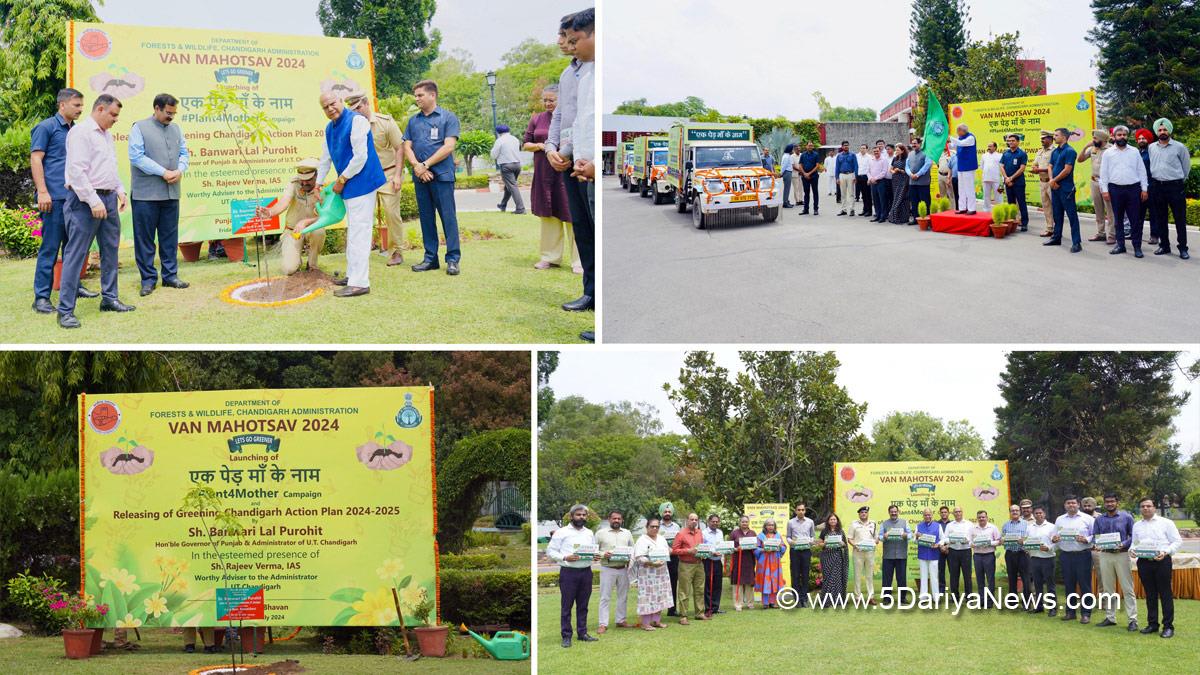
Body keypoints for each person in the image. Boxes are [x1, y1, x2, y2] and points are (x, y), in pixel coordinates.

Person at [57, 94, 133, 329]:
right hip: (84, 201)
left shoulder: (106, 135)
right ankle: (65, 311)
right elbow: (77, 172)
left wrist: (119, 190)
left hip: (108, 198)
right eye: (113, 114)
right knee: (76, 254)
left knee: (110, 250)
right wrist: (93, 200)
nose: (115, 119)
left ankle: (109, 298)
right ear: (100, 109)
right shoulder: (81, 133)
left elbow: (108, 167)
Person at [30, 88, 98, 314]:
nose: (80, 109)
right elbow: (36, 159)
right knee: (50, 248)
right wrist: (42, 191)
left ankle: (74, 286)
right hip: (54, 199)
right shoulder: (46, 127)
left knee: (73, 248)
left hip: (74, 198)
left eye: (81, 105)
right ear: (62, 105)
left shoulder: (76, 131)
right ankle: (41, 297)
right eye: (76, 105)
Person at [547, 9, 596, 318]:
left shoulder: (595, 72)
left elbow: (586, 123)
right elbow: (562, 117)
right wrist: (554, 149)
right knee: (582, 228)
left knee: (594, 226)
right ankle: (590, 292)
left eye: (572, 37)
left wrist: (570, 154)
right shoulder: (569, 75)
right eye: (566, 37)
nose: (566, 43)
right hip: (571, 160)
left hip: (582, 160)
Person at [316, 91, 386, 297]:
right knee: (353, 230)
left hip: (362, 183)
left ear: (340, 101)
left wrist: (341, 180)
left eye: (332, 103)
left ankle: (359, 283)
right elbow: (325, 159)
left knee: (359, 232)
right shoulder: (329, 128)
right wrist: (318, 185)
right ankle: (352, 275)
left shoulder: (357, 121)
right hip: (348, 185)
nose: (330, 108)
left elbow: (360, 157)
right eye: (325, 107)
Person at [129, 93, 189, 298]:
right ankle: (148, 280)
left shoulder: (176, 129)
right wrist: (163, 172)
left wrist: (180, 170)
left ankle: (170, 276)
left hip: (171, 193)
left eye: (174, 113)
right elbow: (136, 157)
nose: (171, 117)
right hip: (145, 194)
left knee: (169, 237)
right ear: (156, 108)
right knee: (145, 239)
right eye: (168, 112)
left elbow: (184, 153)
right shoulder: (139, 127)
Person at [404, 80, 462, 276]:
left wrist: (425, 165)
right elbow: (407, 147)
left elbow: (448, 147)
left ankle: (453, 259)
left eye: (420, 95)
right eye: (416, 95)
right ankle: (430, 259)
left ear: (432, 95)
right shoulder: (413, 121)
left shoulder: (448, 118)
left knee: (448, 218)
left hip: (442, 177)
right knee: (426, 219)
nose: (417, 99)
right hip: (421, 177)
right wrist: (417, 167)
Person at [345, 92, 407, 266]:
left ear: (366, 104)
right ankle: (359, 251)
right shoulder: (350, 125)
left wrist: (397, 175)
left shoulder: (384, 122)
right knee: (359, 215)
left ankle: (396, 251)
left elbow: (399, 148)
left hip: (387, 174)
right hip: (364, 176)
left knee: (391, 213)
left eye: (358, 108)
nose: (355, 112)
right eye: (352, 109)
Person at [524, 84, 578, 272]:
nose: (547, 103)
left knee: (572, 214)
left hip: (565, 171)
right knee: (548, 215)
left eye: (551, 100)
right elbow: (526, 144)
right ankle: (550, 257)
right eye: (545, 100)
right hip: (543, 172)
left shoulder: (569, 118)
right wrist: (542, 146)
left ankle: (578, 260)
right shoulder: (537, 119)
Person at [254, 159, 324, 275]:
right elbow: (284, 203)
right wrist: (270, 212)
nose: (304, 183)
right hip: (292, 231)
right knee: (289, 269)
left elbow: (325, 216)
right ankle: (296, 263)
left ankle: (312, 266)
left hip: (313, 229)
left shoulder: (323, 189)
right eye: (302, 179)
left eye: (308, 180)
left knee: (319, 231)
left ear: (317, 176)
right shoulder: (293, 184)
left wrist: (306, 222)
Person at [546, 504, 598, 647]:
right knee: (566, 606)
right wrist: (565, 557)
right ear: (571, 516)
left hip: (586, 572)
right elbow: (550, 551)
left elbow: (592, 550)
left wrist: (595, 556)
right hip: (569, 573)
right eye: (578, 515)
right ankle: (566, 636)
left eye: (584, 515)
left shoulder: (589, 533)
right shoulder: (561, 532)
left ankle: (582, 633)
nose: (581, 517)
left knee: (583, 605)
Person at [1131, 497, 1181, 638]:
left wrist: (1166, 552)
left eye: (1148, 506)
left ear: (1154, 507)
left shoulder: (1166, 523)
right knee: (1150, 594)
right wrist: (1132, 550)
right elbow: (1134, 543)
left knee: (1165, 594)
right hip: (1144, 563)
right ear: (1140, 509)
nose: (1145, 508)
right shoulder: (1137, 525)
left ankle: (1168, 626)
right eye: (1142, 506)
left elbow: (1177, 541)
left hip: (1162, 561)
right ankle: (1152, 624)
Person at [1147, 117, 1190, 259]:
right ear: (1156, 132)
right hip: (1157, 187)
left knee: (1179, 219)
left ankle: (1183, 248)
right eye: (1159, 130)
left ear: (1169, 130)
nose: (1162, 132)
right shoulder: (1151, 147)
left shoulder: (1179, 147)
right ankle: (1164, 246)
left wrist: (1177, 181)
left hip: (1175, 187)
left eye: (1165, 129)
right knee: (1160, 219)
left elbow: (1186, 168)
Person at [1093, 493, 1137, 631]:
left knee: (1127, 588)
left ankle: (1132, 620)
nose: (1109, 504)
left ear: (1117, 502)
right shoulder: (1099, 519)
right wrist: (1097, 543)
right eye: (1107, 502)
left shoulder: (1127, 517)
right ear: (1104, 504)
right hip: (1105, 556)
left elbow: (1133, 536)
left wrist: (1123, 544)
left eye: (1112, 501)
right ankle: (1110, 617)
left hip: (1122, 555)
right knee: (1107, 589)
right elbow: (1095, 537)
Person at [1052, 495, 1094, 623]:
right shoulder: (1059, 519)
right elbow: (1055, 535)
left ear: (1078, 505)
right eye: (1068, 503)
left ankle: (1086, 614)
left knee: (1084, 585)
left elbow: (1095, 535)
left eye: (1073, 503)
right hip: (1066, 555)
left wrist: (1086, 539)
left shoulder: (1088, 519)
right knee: (1069, 585)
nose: (1071, 505)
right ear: (1065, 505)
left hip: (1083, 554)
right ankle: (1070, 612)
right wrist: (1055, 539)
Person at [1044, 127, 1082, 253]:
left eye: (1056, 135)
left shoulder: (1070, 151)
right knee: (1057, 214)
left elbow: (1067, 170)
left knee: (1072, 216)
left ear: (1064, 137)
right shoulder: (1055, 152)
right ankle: (1056, 237)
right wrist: (1051, 180)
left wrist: (1054, 180)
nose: (1054, 137)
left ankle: (1076, 242)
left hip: (1066, 189)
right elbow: (1050, 166)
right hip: (1054, 187)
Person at [632, 516, 673, 631]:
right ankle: (645, 623)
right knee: (647, 597)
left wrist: (669, 551)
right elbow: (639, 557)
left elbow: (667, 551)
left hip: (661, 572)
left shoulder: (661, 539)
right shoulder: (642, 540)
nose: (655, 529)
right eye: (652, 526)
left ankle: (656, 621)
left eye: (657, 527)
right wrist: (651, 563)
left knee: (660, 595)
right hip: (647, 574)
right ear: (647, 527)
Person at [595, 509, 633, 634]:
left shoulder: (627, 533)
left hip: (623, 569)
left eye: (619, 518)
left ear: (622, 520)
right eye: (614, 518)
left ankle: (621, 620)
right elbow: (594, 551)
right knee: (605, 597)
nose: (616, 520)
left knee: (623, 596)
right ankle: (603, 624)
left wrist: (630, 558)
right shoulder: (600, 533)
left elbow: (632, 549)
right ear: (609, 519)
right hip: (608, 569)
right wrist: (603, 554)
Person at [671, 512, 707, 624]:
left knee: (700, 589)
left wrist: (704, 553)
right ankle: (683, 616)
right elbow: (674, 550)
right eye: (692, 519)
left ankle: (700, 613)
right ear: (687, 520)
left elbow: (701, 547)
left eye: (696, 519)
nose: (694, 521)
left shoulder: (700, 533)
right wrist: (688, 551)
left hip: (699, 564)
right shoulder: (681, 534)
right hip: (685, 564)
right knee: (684, 590)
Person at [1080, 129, 1112, 244]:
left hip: (1106, 183)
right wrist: (1084, 147)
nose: (1093, 140)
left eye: (1095, 138)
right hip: (1094, 182)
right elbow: (1080, 160)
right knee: (1098, 209)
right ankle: (1101, 233)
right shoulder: (1092, 149)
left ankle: (1112, 235)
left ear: (1102, 139)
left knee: (1110, 210)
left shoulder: (1111, 149)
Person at [1026, 505, 1058, 615]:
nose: (1038, 515)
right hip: (1034, 558)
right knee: (1037, 584)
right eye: (1036, 513)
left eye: (1040, 513)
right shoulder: (1029, 527)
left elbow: (1057, 543)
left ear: (1044, 514)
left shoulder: (1052, 527)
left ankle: (1052, 608)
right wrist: (1026, 546)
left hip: (1048, 558)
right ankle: (1039, 606)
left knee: (1050, 585)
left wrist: (1049, 547)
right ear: (1033, 515)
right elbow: (1027, 541)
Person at [490, 124, 526, 214]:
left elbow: (493, 155)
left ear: (498, 132)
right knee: (509, 186)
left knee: (512, 186)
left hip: (506, 166)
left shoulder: (500, 140)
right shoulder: (515, 139)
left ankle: (520, 209)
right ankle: (503, 204)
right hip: (517, 165)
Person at [876, 504, 911, 595]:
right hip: (888, 555)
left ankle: (902, 598)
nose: (894, 513)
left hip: (901, 555)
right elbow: (880, 537)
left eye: (895, 512)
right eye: (892, 512)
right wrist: (884, 536)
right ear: (889, 513)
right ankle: (887, 598)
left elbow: (910, 535)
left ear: (898, 512)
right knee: (887, 578)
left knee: (902, 578)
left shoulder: (905, 522)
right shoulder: (884, 523)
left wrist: (906, 535)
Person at [1000, 504, 1031, 606]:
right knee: (1012, 578)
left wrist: (1024, 541)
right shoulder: (1005, 525)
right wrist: (1002, 540)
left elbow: (1030, 538)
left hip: (1022, 554)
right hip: (1010, 554)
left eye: (1016, 510)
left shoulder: (1026, 524)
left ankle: (1026, 602)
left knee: (1025, 578)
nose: (1014, 512)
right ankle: (1012, 602)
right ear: (1010, 512)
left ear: (1020, 511)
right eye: (1012, 510)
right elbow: (1002, 539)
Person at [970, 510, 1001, 608]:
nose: (981, 519)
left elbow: (999, 541)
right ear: (977, 518)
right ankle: (982, 600)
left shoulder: (993, 528)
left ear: (987, 518)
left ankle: (990, 601)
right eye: (979, 517)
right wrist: (972, 544)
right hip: (977, 556)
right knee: (980, 579)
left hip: (989, 555)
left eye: (983, 517)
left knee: (990, 579)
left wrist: (989, 543)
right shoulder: (973, 528)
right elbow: (968, 541)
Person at [786, 502, 815, 607]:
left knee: (805, 574)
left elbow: (812, 536)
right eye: (799, 510)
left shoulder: (810, 522)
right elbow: (788, 537)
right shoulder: (790, 522)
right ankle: (797, 599)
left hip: (806, 551)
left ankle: (804, 598)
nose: (801, 511)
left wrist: (810, 541)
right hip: (795, 551)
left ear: (805, 511)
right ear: (795, 511)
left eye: (803, 510)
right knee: (795, 574)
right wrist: (792, 542)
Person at [754, 519, 787, 608]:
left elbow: (784, 547)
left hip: (775, 561)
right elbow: (756, 549)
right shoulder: (760, 536)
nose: (770, 527)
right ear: (765, 526)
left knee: (774, 581)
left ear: (775, 526)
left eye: (772, 525)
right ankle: (765, 603)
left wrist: (780, 547)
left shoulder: (778, 536)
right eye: (768, 525)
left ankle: (773, 602)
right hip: (764, 561)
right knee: (765, 580)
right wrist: (763, 549)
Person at [942, 506, 973, 600]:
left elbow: (972, 537)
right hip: (953, 552)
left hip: (966, 551)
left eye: (959, 511)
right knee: (954, 575)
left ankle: (969, 596)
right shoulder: (950, 525)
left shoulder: (969, 524)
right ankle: (955, 596)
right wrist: (951, 541)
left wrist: (967, 540)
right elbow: (945, 538)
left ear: (962, 512)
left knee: (967, 575)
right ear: (953, 513)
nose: (958, 513)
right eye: (956, 512)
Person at [999, 133, 1029, 231]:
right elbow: (1001, 166)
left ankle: (1024, 223)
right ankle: (1012, 221)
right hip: (1008, 182)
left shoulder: (1022, 154)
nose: (1010, 142)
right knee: (1011, 203)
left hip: (1018, 183)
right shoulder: (1005, 153)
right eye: (1009, 141)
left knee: (1021, 203)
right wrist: (1006, 178)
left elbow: (1022, 168)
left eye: (1013, 141)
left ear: (1018, 142)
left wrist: (1011, 178)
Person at [816, 513, 848, 602]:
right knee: (828, 578)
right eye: (831, 519)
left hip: (837, 557)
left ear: (837, 521)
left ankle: (837, 600)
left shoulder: (841, 532)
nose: (833, 521)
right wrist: (825, 543)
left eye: (834, 519)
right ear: (828, 521)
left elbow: (845, 545)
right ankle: (827, 600)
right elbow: (819, 544)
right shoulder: (824, 531)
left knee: (837, 578)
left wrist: (842, 544)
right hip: (826, 557)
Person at [916, 507, 946, 600]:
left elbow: (943, 539)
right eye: (925, 515)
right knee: (923, 576)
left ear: (932, 515)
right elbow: (915, 540)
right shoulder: (919, 526)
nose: (927, 516)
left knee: (934, 577)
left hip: (934, 555)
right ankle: (923, 597)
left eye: (929, 514)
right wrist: (918, 537)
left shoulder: (938, 526)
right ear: (923, 516)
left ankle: (935, 597)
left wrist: (938, 544)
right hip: (922, 554)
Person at [657, 502, 681, 616]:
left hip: (674, 558)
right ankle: (658, 610)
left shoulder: (677, 526)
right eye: (665, 511)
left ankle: (672, 609)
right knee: (660, 583)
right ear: (661, 512)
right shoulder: (656, 525)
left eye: (669, 511)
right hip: (660, 558)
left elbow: (679, 541)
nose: (667, 513)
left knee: (673, 583)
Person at [729, 515, 757, 610]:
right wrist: (736, 549)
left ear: (748, 523)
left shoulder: (753, 533)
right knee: (738, 583)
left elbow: (756, 546)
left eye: (746, 522)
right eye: (742, 522)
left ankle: (750, 603)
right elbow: (729, 546)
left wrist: (754, 546)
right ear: (739, 523)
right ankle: (738, 604)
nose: (744, 523)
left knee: (749, 582)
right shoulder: (734, 533)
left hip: (749, 560)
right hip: (738, 560)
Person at [1031, 130, 1056, 236]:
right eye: (1041, 138)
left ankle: (1057, 229)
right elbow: (1035, 164)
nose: (1041, 140)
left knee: (1055, 207)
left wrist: (1039, 170)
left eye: (1044, 138)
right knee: (1046, 206)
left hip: (1051, 182)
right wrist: (1034, 168)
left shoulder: (1055, 151)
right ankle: (1050, 228)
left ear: (1050, 139)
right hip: (1042, 182)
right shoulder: (1040, 151)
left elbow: (1054, 168)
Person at [848, 505, 876, 600]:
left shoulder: (873, 524)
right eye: (862, 512)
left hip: (870, 553)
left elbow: (876, 538)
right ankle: (857, 597)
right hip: (858, 553)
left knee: (869, 575)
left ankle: (870, 597)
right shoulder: (854, 524)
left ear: (868, 513)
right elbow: (850, 538)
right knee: (857, 575)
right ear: (859, 514)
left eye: (865, 512)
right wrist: (854, 545)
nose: (863, 514)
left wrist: (875, 542)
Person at [1135, 127, 1157, 245]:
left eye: (1143, 138)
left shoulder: (1152, 152)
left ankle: (1154, 235)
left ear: (1148, 139)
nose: (1141, 140)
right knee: (1139, 213)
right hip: (1139, 187)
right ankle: (1138, 234)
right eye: (1139, 139)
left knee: (1153, 212)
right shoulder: (1137, 153)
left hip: (1152, 186)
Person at [949, 123, 978, 214]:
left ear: (962, 130)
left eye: (958, 131)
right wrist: (945, 142)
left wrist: (950, 138)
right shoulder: (960, 138)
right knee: (961, 188)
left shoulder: (970, 138)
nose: (957, 133)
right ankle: (962, 208)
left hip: (968, 166)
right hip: (961, 166)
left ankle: (971, 208)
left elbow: (961, 144)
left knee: (969, 188)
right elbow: (953, 146)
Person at [701, 513, 725, 617]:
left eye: (716, 521)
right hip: (708, 561)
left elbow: (722, 545)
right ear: (708, 522)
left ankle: (715, 607)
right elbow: (703, 546)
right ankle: (708, 608)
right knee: (708, 585)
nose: (715, 523)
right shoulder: (703, 533)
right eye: (713, 521)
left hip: (718, 561)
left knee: (717, 585)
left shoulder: (720, 532)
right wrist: (712, 552)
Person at [906, 137, 932, 225]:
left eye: (915, 143)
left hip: (923, 182)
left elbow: (927, 165)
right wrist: (910, 174)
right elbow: (906, 166)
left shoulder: (926, 153)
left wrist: (917, 174)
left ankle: (926, 219)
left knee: (924, 201)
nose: (913, 145)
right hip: (912, 182)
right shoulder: (910, 154)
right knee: (914, 201)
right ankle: (915, 219)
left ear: (920, 144)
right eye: (912, 143)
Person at [886, 144, 910, 224]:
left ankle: (902, 217)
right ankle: (895, 217)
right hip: (895, 181)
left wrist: (899, 170)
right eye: (896, 150)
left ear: (902, 151)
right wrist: (895, 171)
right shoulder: (894, 158)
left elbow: (906, 171)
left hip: (903, 180)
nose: (896, 151)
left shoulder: (906, 159)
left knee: (901, 198)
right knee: (896, 198)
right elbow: (891, 170)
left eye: (898, 150)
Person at [866, 147, 889, 223]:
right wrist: (870, 179)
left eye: (877, 151)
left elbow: (884, 172)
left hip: (881, 182)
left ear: (880, 151)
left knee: (882, 200)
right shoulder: (871, 160)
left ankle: (883, 216)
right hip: (873, 182)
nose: (876, 152)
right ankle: (877, 215)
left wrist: (875, 178)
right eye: (874, 151)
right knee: (875, 200)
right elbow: (868, 171)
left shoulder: (884, 159)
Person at [835, 141, 857, 216]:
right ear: (842, 146)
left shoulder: (853, 155)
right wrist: (837, 178)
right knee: (843, 193)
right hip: (842, 175)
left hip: (850, 174)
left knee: (851, 193)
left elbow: (856, 166)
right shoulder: (839, 156)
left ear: (849, 146)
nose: (846, 147)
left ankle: (852, 209)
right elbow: (837, 167)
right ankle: (843, 209)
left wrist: (855, 176)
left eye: (847, 145)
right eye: (844, 145)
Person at [799, 142, 821, 215]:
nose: (810, 147)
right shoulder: (803, 155)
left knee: (815, 192)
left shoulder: (816, 154)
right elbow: (800, 165)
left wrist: (809, 173)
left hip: (814, 176)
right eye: (809, 145)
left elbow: (817, 166)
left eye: (811, 146)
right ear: (806, 146)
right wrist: (805, 173)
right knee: (806, 193)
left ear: (813, 147)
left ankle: (815, 209)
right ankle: (806, 209)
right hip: (805, 177)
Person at [980, 141, 1003, 211]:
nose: (988, 148)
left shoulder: (1000, 155)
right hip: (986, 179)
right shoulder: (984, 155)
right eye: (988, 146)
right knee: (986, 195)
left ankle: (1000, 210)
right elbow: (982, 166)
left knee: (999, 195)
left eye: (990, 146)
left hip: (997, 179)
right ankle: (986, 210)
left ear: (995, 147)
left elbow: (1002, 167)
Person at [937, 505, 951, 594]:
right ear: (940, 513)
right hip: (939, 550)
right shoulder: (936, 524)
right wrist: (941, 547)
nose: (944, 514)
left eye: (945, 512)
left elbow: (954, 537)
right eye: (942, 512)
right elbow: (935, 537)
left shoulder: (953, 524)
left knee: (953, 571)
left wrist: (947, 547)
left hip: (951, 550)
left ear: (948, 513)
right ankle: (941, 590)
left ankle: (954, 590)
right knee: (940, 571)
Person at [937, 143, 957, 208]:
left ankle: (953, 211)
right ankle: (944, 211)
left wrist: (950, 177)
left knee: (951, 195)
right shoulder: (940, 153)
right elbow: (938, 164)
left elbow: (953, 166)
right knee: (942, 194)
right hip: (940, 175)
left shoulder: (952, 153)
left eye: (946, 144)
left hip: (948, 176)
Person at [855, 144, 872, 217]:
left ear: (867, 149)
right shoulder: (857, 156)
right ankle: (864, 210)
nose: (862, 149)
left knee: (868, 195)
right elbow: (855, 167)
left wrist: (869, 178)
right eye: (861, 148)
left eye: (864, 148)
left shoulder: (869, 157)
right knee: (863, 195)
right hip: (859, 177)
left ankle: (869, 211)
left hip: (866, 177)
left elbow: (870, 168)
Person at [779, 144, 795, 208]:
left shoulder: (787, 155)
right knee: (787, 188)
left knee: (787, 188)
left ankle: (786, 201)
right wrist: (781, 173)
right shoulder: (786, 156)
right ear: (790, 149)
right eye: (792, 149)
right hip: (787, 173)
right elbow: (784, 166)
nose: (793, 150)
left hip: (788, 172)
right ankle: (785, 203)